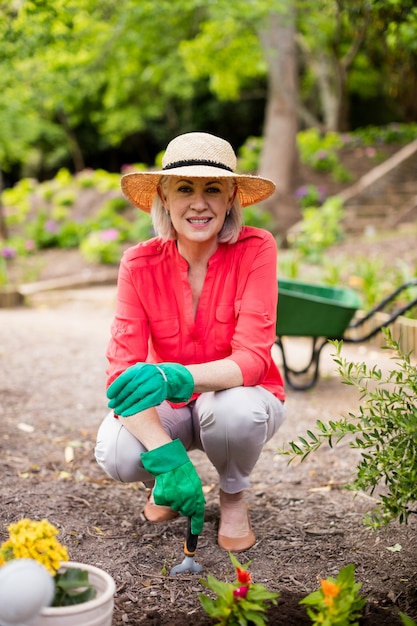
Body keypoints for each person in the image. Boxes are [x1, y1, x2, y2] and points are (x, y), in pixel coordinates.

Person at [95, 131, 286, 552]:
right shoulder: (138, 263)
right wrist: (166, 458)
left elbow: (253, 359)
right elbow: (122, 374)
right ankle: (165, 480)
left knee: (232, 410)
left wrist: (174, 375)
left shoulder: (257, 249)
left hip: (242, 396)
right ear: (163, 197)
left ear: (231, 197)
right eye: (185, 188)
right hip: (174, 409)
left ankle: (233, 495)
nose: (199, 203)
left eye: (212, 189)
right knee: (116, 451)